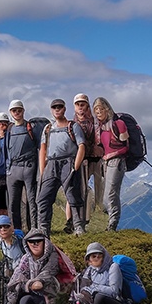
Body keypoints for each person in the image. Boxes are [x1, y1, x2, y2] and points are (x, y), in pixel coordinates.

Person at [36, 98, 86, 236]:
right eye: (54, 107)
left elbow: (82, 146)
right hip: (51, 164)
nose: (57, 109)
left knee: (73, 195)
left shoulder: (73, 126)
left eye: (59, 107)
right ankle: (44, 230)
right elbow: (43, 149)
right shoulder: (48, 129)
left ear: (64, 109)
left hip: (68, 162)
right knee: (43, 198)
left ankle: (78, 227)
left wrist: (75, 167)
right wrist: (42, 170)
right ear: (51, 110)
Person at [5, 100, 40, 231]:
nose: (17, 113)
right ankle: (16, 230)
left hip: (29, 167)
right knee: (13, 203)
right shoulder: (9, 129)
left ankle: (34, 228)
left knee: (32, 201)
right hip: (13, 169)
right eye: (14, 111)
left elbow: (39, 147)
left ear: (23, 111)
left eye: (19, 110)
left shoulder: (31, 128)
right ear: (10, 113)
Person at [94, 97, 129, 231]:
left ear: (107, 109)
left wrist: (111, 154)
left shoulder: (119, 124)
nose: (98, 112)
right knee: (105, 197)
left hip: (117, 162)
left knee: (111, 193)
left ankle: (112, 224)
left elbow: (126, 147)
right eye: (96, 110)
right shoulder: (100, 128)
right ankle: (109, 222)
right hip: (105, 162)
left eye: (101, 109)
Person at [70, 93, 100, 232]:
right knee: (79, 191)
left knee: (98, 194)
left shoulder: (96, 122)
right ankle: (76, 222)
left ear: (87, 105)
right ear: (74, 106)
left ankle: (85, 221)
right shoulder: (71, 124)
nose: (80, 106)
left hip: (96, 160)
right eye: (78, 104)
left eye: (83, 104)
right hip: (80, 161)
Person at [0, 214, 25, 300]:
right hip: (10, 269)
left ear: (12, 227)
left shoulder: (20, 240)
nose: (2, 230)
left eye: (6, 226)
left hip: (24, 271)